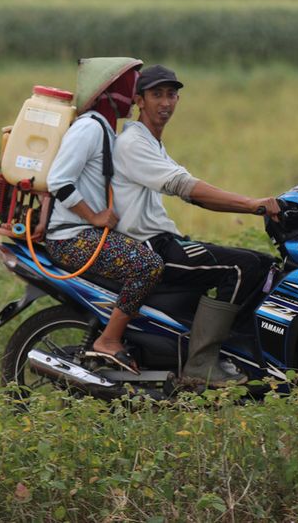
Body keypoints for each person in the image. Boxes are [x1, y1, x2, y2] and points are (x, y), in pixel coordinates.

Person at [112, 64, 280, 387]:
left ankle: (232, 352)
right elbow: (184, 185)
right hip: (150, 246)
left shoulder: (151, 142)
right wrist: (250, 203)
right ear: (139, 100)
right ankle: (203, 363)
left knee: (263, 263)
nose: (166, 102)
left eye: (172, 94)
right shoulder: (133, 142)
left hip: (164, 240)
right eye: (156, 94)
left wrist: (259, 205)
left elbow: (193, 193)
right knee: (242, 268)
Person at [46, 58, 164, 374]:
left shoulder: (106, 129)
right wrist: (94, 216)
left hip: (87, 233)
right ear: (111, 90)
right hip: (72, 237)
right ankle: (108, 340)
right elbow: (59, 180)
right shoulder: (89, 127)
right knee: (147, 265)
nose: (135, 91)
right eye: (131, 84)